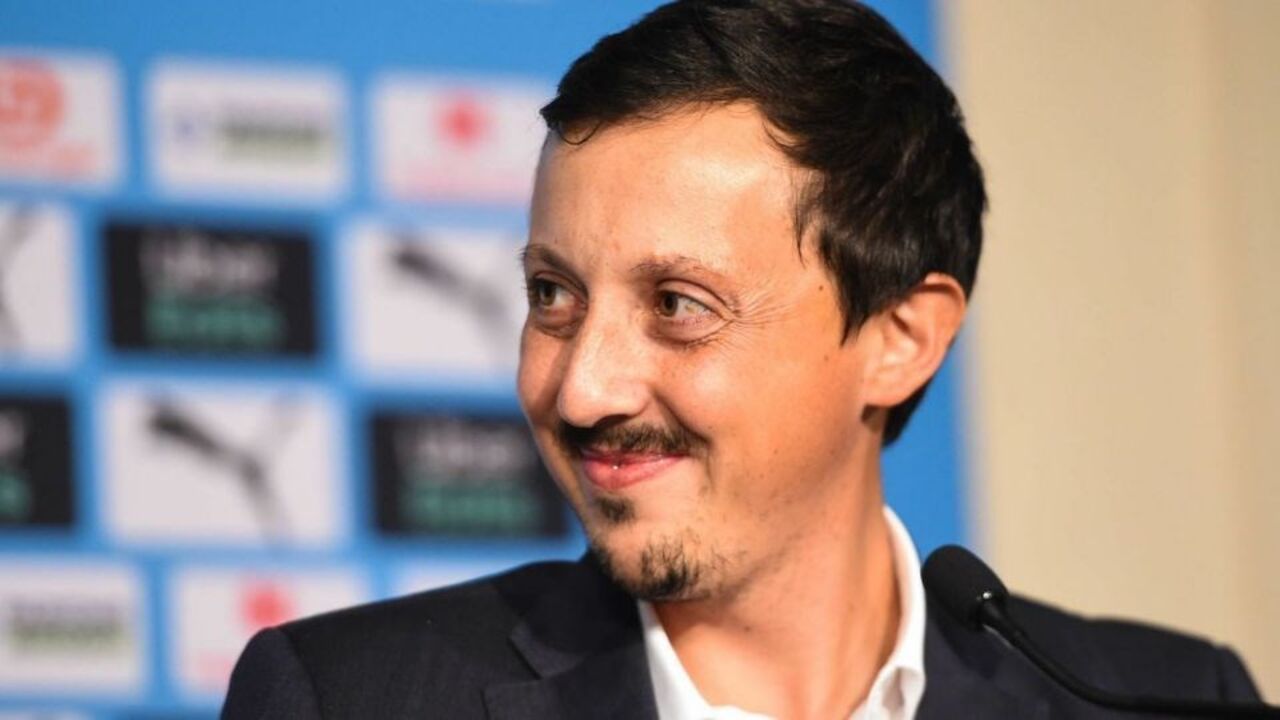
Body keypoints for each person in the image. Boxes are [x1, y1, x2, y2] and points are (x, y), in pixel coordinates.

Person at [222, 1, 1263, 718]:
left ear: (900, 340)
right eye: (552, 296)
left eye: (678, 306)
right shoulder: (346, 698)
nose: (581, 388)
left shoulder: (1169, 701)